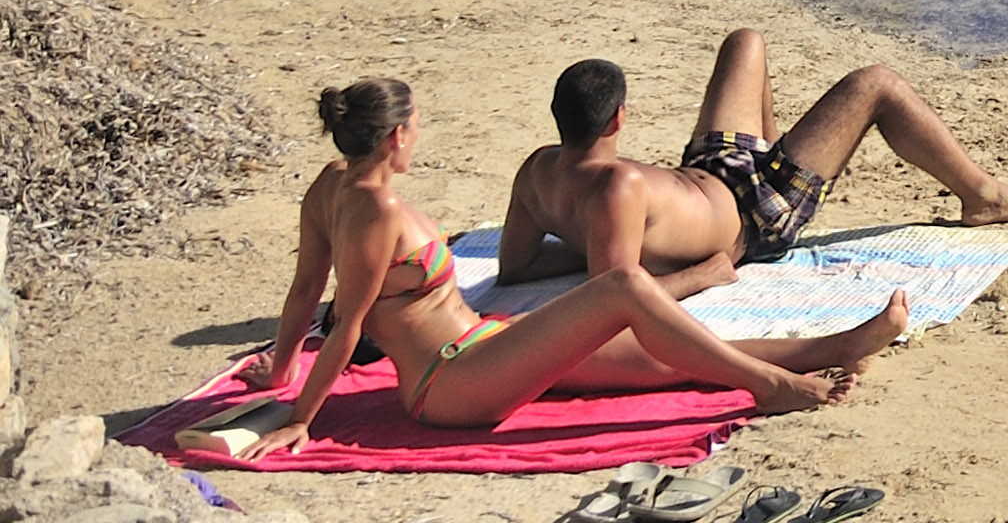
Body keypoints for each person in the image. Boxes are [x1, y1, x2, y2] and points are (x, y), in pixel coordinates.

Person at [226, 77, 903, 445]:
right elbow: (345, 323)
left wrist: (281, 370)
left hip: (478, 349)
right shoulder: (378, 212)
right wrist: (300, 418)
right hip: (448, 383)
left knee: (655, 358)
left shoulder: (329, 186)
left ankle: (833, 346)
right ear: (397, 136)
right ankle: (770, 386)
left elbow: (303, 293)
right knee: (624, 287)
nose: (418, 137)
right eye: (418, 127)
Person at [498, 33, 1008, 286]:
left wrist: (595, 246)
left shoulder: (535, 170)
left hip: (713, 167)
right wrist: (697, 274)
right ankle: (984, 197)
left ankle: (780, 152)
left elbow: (516, 269)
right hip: (757, 215)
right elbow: (612, 297)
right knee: (877, 84)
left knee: (746, 43)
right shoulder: (616, 187)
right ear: (619, 119)